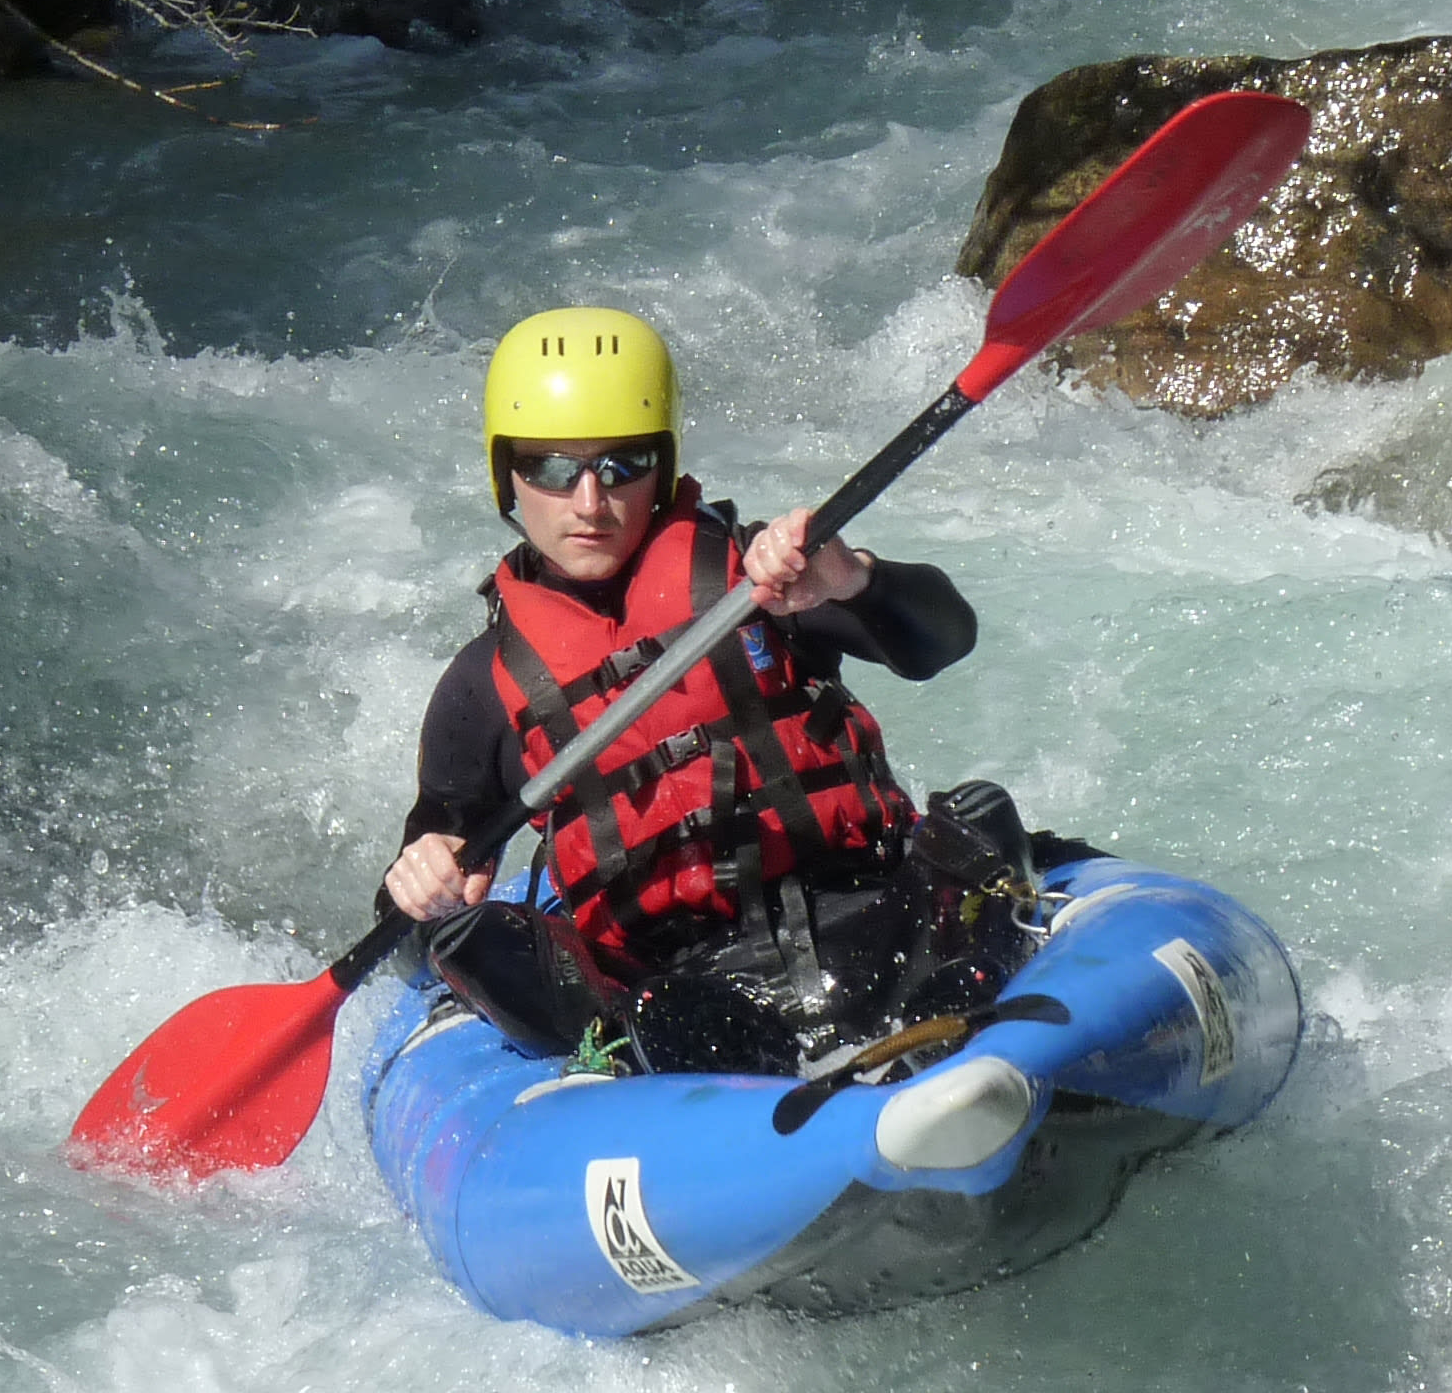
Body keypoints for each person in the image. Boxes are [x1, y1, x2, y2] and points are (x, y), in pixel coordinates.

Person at [383, 309, 1030, 1072]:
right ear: (508, 474)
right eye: (553, 469)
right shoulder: (483, 687)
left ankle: (964, 1012)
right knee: (485, 947)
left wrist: (852, 580)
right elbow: (406, 932)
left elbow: (943, 641)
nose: (589, 503)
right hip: (686, 994)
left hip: (879, 917)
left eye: (621, 466)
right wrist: (422, 886)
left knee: (981, 816)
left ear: (663, 464)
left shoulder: (764, 579)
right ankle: (741, 1096)